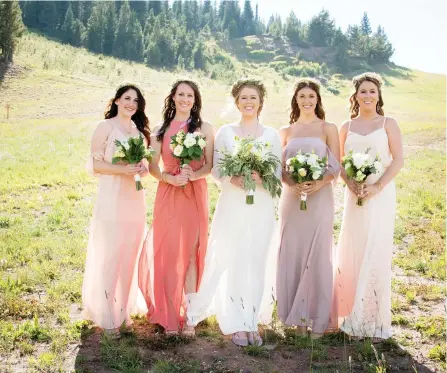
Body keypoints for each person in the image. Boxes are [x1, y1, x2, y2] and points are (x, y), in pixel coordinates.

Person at [186, 78, 281, 346]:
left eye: (253, 97)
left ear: (261, 102)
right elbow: (216, 168)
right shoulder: (226, 132)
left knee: (256, 259)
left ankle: (252, 319)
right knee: (233, 255)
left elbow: (276, 173)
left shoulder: (271, 135)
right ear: (236, 102)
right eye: (243, 98)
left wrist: (260, 178)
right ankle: (236, 321)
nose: (248, 102)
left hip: (261, 204)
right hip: (233, 202)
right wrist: (234, 179)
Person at [138, 79, 214, 336]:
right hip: (169, 192)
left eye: (190, 95)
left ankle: (191, 316)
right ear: (172, 98)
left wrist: (191, 176)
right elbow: (153, 167)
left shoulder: (205, 128)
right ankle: (170, 313)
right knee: (170, 252)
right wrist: (170, 178)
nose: (185, 99)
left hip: (194, 193)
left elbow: (209, 166)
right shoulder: (160, 129)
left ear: (196, 100)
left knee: (192, 253)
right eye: (181, 94)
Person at [335, 72, 404, 341]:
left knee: (376, 248)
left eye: (372, 91)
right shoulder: (346, 127)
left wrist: (378, 186)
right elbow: (340, 163)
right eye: (363, 91)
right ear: (355, 96)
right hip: (355, 195)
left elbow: (398, 160)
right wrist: (350, 183)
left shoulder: (389, 123)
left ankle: (373, 321)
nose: (367, 96)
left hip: (380, 194)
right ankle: (350, 315)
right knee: (353, 248)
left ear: (379, 95)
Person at [82, 83, 151, 336]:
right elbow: (94, 165)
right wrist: (123, 169)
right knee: (111, 252)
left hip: (135, 197)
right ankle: (107, 314)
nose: (131, 103)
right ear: (116, 101)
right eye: (126, 98)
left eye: (135, 100)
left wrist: (141, 168)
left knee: (129, 252)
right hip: (112, 196)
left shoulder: (140, 134)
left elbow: (143, 164)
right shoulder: (105, 127)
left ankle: (122, 309)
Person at [277, 78, 340, 338]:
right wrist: (291, 182)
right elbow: (279, 168)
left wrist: (319, 182)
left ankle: (319, 318)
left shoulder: (328, 127)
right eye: (302, 96)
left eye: (311, 96)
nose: (306, 100)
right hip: (292, 199)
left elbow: (336, 165)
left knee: (319, 254)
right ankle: (298, 319)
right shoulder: (286, 131)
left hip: (320, 197)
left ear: (317, 99)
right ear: (295, 100)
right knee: (293, 253)